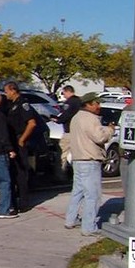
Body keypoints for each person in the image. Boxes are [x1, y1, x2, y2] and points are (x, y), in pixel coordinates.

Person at [65, 92, 115, 236]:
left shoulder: (76, 117)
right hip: (90, 160)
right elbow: (99, 137)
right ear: (88, 104)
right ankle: (89, 227)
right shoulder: (90, 118)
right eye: (96, 103)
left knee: (78, 192)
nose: (99, 106)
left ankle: (71, 219)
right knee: (92, 195)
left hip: (78, 159)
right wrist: (110, 130)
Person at [3, 81, 37, 213]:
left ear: (13, 90)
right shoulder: (10, 105)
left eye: (6, 91)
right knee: (11, 172)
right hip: (11, 141)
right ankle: (13, 201)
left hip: (18, 140)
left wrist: (22, 139)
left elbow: (32, 123)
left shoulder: (23, 104)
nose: (6, 94)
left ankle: (24, 202)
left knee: (20, 173)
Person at [51, 85, 81, 178]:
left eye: (64, 93)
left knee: (62, 153)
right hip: (79, 132)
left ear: (67, 91)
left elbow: (66, 115)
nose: (63, 95)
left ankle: (60, 175)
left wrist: (57, 120)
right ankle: (77, 173)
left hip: (69, 131)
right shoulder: (80, 102)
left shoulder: (69, 102)